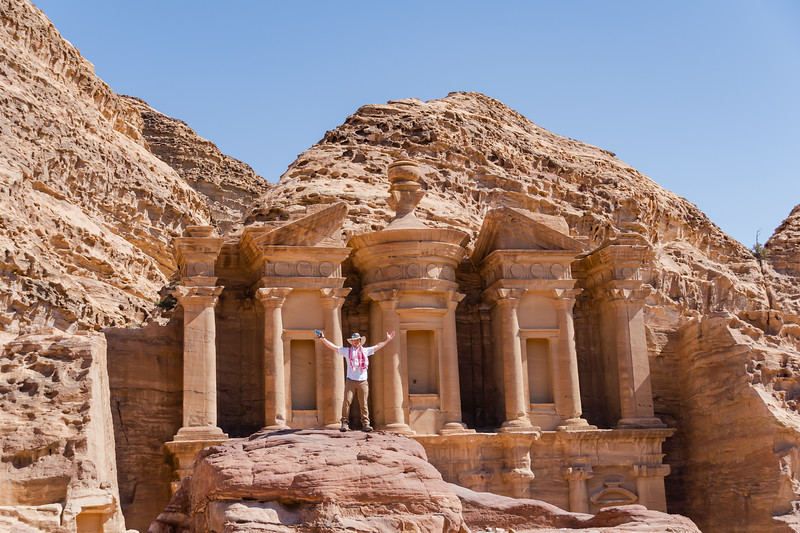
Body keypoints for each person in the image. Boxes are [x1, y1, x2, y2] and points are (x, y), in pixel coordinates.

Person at [317, 330, 395, 432]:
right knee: (346, 401)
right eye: (354, 340)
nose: (356, 342)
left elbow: (377, 346)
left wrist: (387, 340)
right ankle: (344, 423)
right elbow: (333, 347)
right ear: (352, 342)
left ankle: (366, 424)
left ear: (360, 341)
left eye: (357, 340)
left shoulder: (365, 351)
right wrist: (323, 339)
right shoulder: (347, 351)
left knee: (364, 403)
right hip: (350, 380)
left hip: (363, 381)